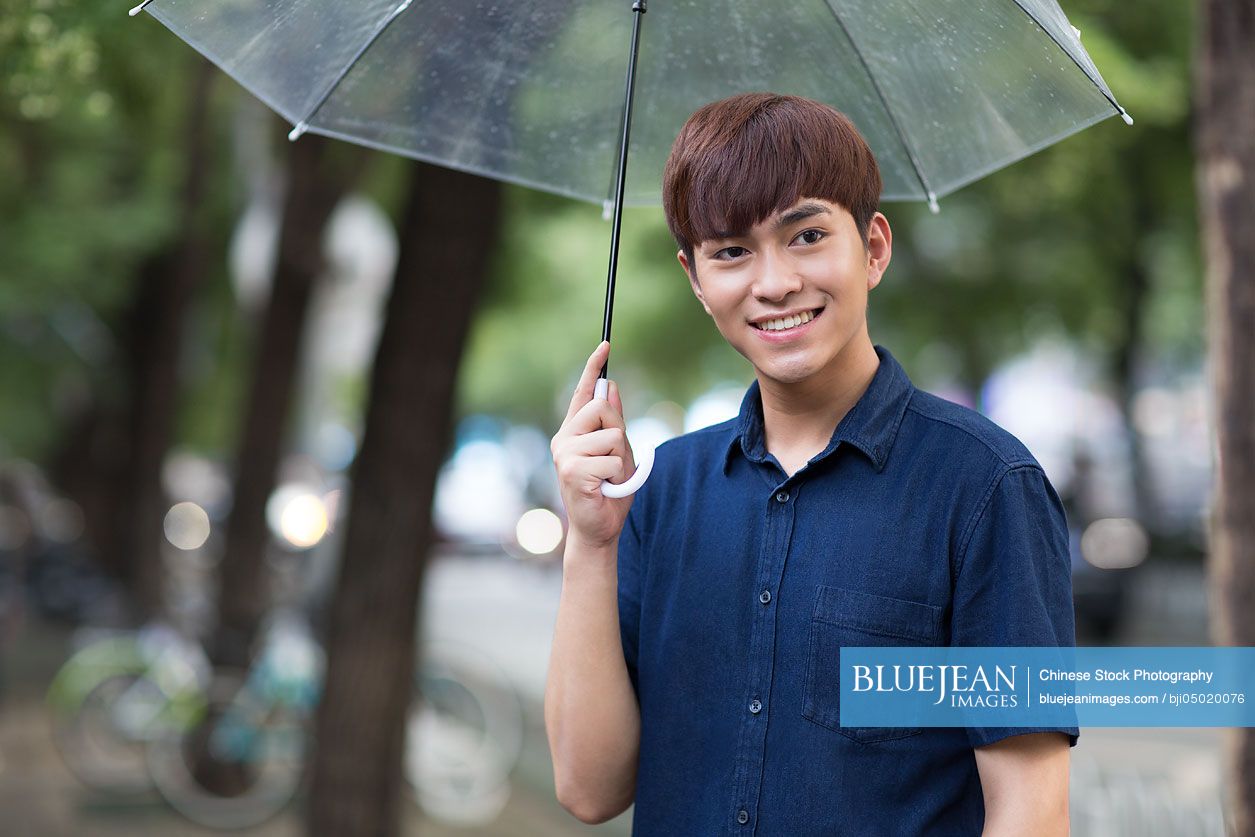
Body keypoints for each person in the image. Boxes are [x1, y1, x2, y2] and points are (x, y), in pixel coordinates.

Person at [545, 92, 1076, 836]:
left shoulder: (985, 487)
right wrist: (591, 543)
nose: (773, 283)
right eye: (730, 251)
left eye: (806, 235)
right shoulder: (660, 491)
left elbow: (1030, 813)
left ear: (875, 248)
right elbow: (587, 786)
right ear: (696, 280)